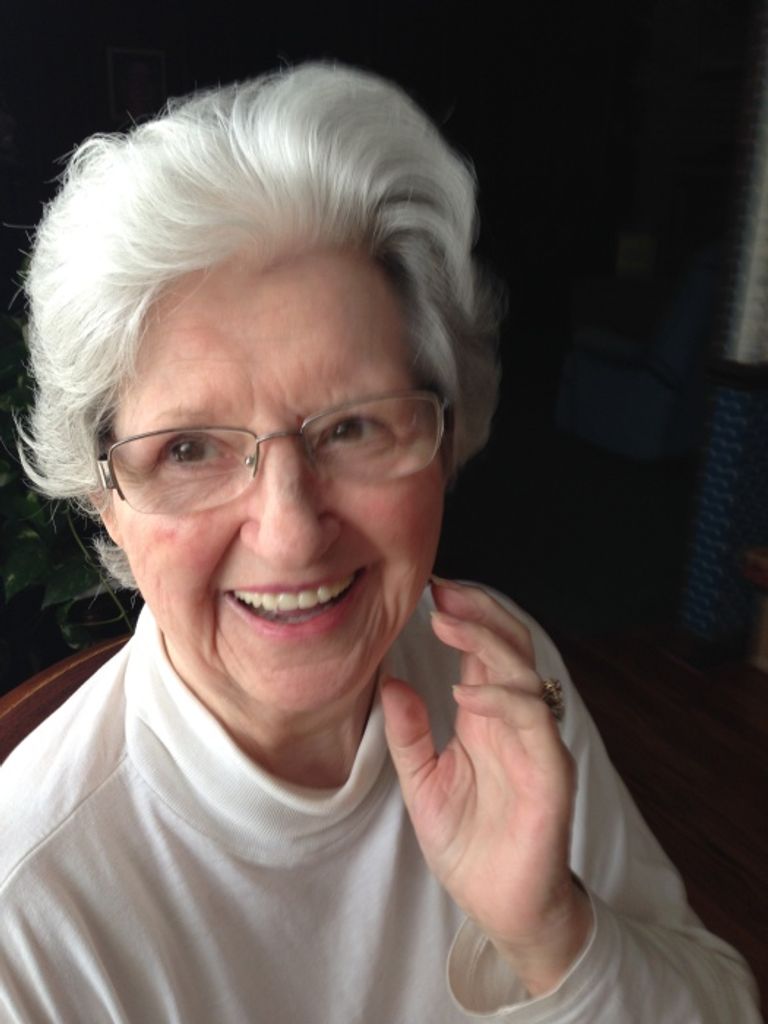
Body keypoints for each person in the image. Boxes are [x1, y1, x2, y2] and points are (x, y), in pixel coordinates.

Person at [1, 62, 760, 1023]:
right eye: (188, 449)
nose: (290, 534)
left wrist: (552, 934)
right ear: (103, 498)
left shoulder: (492, 676)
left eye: (354, 426)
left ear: (445, 442)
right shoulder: (25, 926)